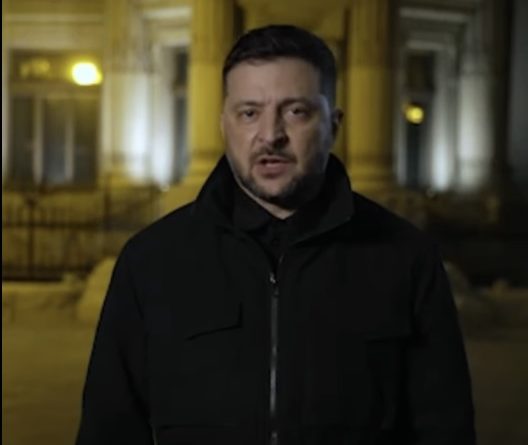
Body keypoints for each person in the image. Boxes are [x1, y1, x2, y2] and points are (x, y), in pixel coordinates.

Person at [76, 24, 476, 445]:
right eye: (249, 113)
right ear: (224, 125)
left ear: (333, 125)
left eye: (296, 111)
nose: (270, 135)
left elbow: (444, 428)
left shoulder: (405, 258)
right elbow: (109, 429)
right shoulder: (152, 260)